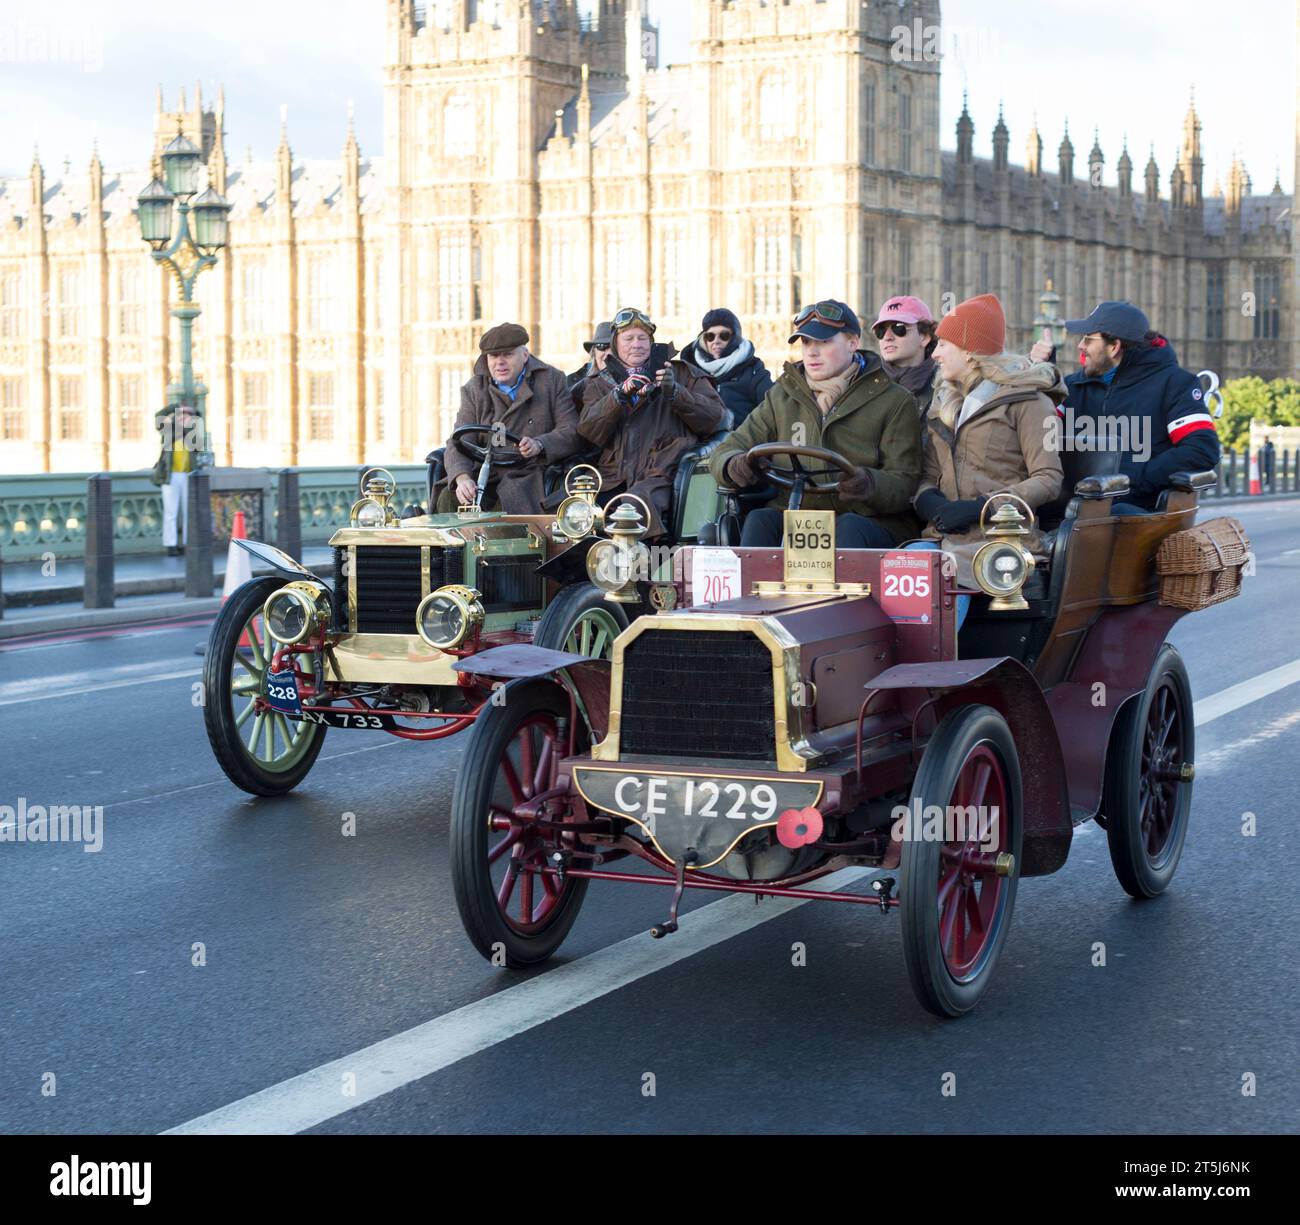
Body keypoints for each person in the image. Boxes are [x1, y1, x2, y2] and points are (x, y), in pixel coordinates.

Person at [708, 299, 922, 548]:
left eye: (824, 341)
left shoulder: (895, 400)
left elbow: (905, 482)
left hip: (867, 518)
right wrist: (734, 464)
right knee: (759, 521)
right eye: (806, 342)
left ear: (853, 343)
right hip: (796, 515)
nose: (811, 351)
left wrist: (869, 483)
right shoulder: (782, 396)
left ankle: (844, 589)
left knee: (849, 528)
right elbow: (726, 450)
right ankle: (751, 589)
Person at [911, 294, 1065, 618]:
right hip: (942, 539)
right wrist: (931, 503)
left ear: (969, 352)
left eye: (943, 344)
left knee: (944, 581)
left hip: (1000, 540)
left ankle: (933, 667)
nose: (934, 353)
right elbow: (927, 475)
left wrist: (981, 508)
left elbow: (1048, 479)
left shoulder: (1031, 402)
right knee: (902, 569)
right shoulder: (944, 405)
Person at [1047, 301, 1221, 514]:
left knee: (1112, 515)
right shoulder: (1072, 387)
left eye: (1088, 339)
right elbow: (1036, 433)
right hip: (1071, 507)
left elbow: (1202, 449)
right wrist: (1043, 378)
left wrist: (1132, 478)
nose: (1080, 346)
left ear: (1114, 347)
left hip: (1135, 513)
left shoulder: (1174, 384)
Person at [578, 307, 726, 540]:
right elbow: (588, 431)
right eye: (628, 338)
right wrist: (617, 396)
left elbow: (714, 418)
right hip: (613, 478)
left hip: (664, 473)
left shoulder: (680, 372)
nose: (636, 344)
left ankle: (638, 571)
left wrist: (674, 392)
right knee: (574, 513)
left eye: (642, 338)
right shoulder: (598, 383)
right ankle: (582, 571)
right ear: (615, 343)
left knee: (633, 508)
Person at [436, 323, 579, 513]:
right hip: (484, 473)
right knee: (449, 498)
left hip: (528, 473)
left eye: (508, 355)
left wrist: (540, 444)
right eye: (494, 356)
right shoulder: (474, 389)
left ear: (525, 355)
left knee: (511, 500)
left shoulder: (551, 381)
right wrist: (462, 478)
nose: (500, 362)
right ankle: (451, 543)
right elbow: (458, 441)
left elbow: (571, 431)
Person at [690, 308, 772, 427]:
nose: (716, 341)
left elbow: (773, 408)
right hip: (701, 443)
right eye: (710, 336)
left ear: (734, 337)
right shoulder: (691, 371)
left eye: (724, 335)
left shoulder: (753, 371)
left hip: (742, 442)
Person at [871, 295, 940, 420]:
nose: (887, 337)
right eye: (881, 330)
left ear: (924, 337)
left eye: (898, 328)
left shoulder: (945, 390)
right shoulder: (866, 387)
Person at [153, 401, 200, 556]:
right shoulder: (168, 430)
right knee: (171, 512)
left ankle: (188, 544)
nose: (184, 417)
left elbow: (199, 448)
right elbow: (158, 415)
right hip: (170, 476)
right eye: (182, 414)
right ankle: (171, 545)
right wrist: (176, 407)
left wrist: (192, 417)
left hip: (188, 476)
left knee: (189, 512)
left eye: (187, 414)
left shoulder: (193, 432)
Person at [567, 320, 613, 410]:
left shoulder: (634, 383)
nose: (608, 353)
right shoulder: (572, 384)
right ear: (593, 353)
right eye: (601, 346)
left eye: (614, 348)